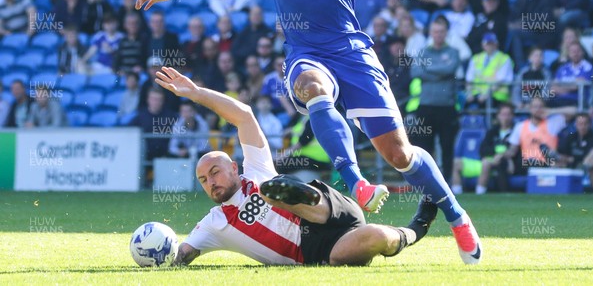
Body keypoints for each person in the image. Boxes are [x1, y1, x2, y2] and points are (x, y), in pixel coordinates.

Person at [137, 0, 482, 264]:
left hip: (352, 54)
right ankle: (357, 183)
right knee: (311, 86)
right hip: (305, 54)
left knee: (400, 155)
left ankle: (456, 216)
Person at [154, 66, 437, 267]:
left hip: (329, 210)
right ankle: (416, 228)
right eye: (203, 180)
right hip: (320, 251)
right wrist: (154, 251)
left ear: (234, 167)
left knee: (267, 189)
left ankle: (301, 195)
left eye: (214, 172)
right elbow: (181, 255)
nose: (211, 182)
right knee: (374, 237)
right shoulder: (212, 225)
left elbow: (244, 115)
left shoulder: (256, 168)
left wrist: (196, 93)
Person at [410, 16, 461, 182]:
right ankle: (427, 184)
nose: (438, 34)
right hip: (426, 106)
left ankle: (447, 185)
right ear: (431, 33)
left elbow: (451, 68)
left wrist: (429, 70)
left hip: (447, 107)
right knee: (424, 148)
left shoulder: (453, 52)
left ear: (446, 33)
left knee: (447, 147)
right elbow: (415, 72)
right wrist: (441, 73)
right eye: (435, 31)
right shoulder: (423, 52)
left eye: (441, 32)